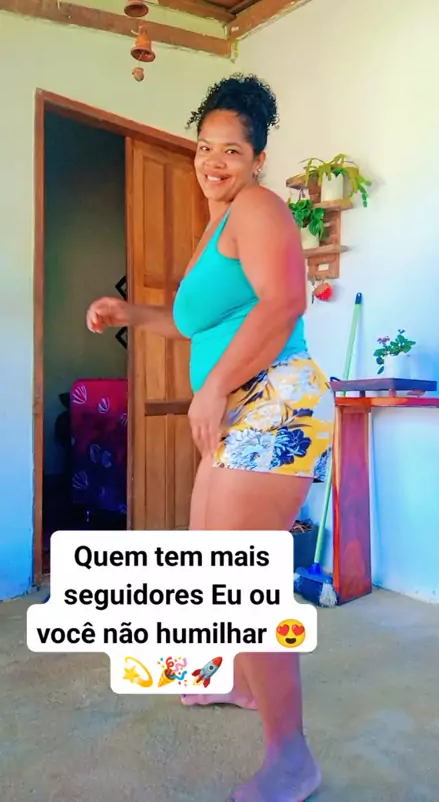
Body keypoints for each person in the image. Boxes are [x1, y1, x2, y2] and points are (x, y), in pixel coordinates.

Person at [86, 73, 333, 802]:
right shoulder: (215, 228)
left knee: (238, 572)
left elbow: (285, 302)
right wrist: (132, 315)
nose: (213, 162)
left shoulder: (257, 206)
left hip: (275, 399)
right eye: (204, 147)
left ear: (257, 159)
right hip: (239, 403)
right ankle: (236, 682)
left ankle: (292, 758)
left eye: (231, 150)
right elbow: (194, 322)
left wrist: (217, 385)